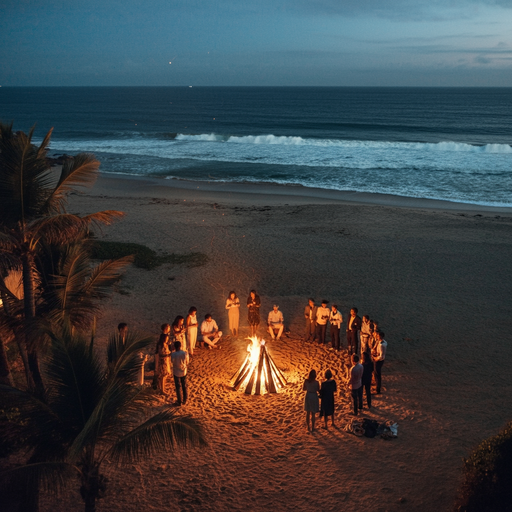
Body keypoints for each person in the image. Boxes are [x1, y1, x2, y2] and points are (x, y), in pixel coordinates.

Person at [171, 341, 189, 406]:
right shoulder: (185, 353)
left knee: (178, 386)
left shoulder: (173, 354)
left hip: (176, 371)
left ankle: (179, 401)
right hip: (183, 371)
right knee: (184, 385)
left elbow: (172, 361)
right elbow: (187, 361)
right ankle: (185, 399)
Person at [155, 324, 172, 395]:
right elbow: (161, 353)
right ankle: (162, 389)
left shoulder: (164, 344)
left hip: (165, 360)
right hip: (163, 361)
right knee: (163, 375)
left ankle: (161, 388)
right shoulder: (162, 345)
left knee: (164, 375)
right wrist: (168, 354)